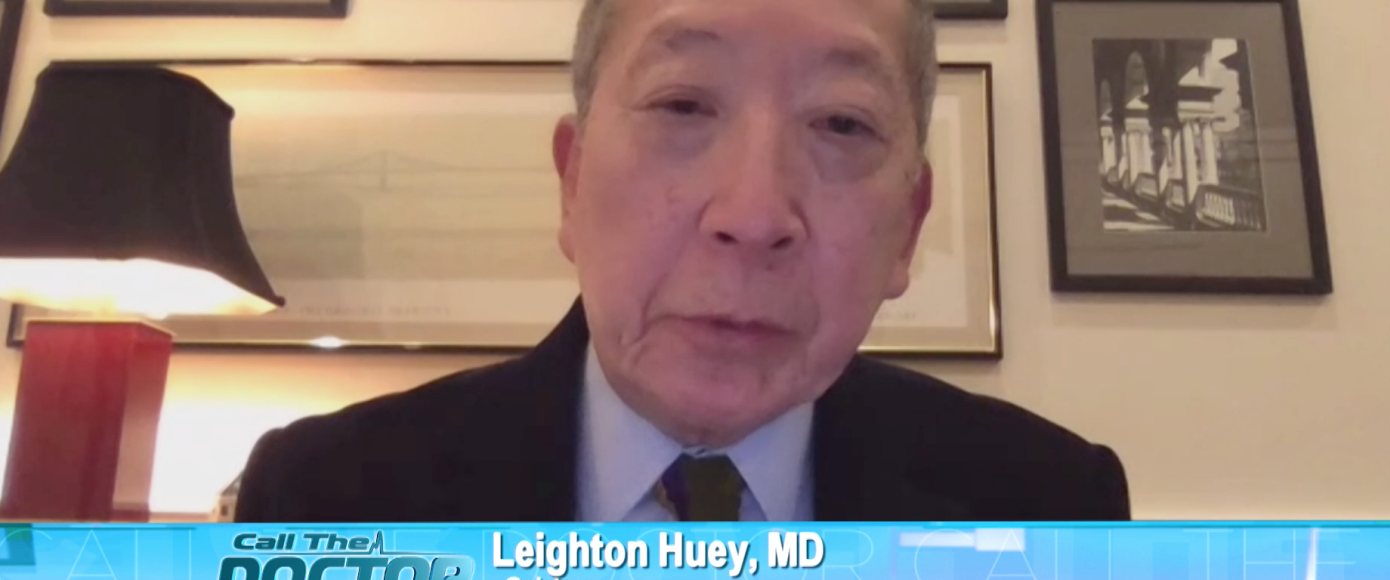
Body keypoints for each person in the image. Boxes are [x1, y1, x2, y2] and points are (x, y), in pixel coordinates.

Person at [235, 0, 1130, 523]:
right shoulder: (326, 498)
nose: (753, 215)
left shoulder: (1050, 507)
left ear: (908, 227)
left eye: (841, 122)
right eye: (683, 105)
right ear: (572, 182)